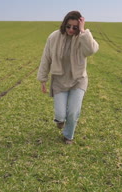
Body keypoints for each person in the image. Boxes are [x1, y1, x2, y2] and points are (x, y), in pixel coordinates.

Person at [37, 11, 99, 144]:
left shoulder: (82, 38)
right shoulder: (54, 37)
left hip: (78, 80)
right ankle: (60, 120)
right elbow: (46, 58)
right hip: (59, 80)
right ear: (64, 24)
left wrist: (83, 31)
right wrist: (43, 79)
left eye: (75, 27)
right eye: (68, 26)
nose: (71, 30)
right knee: (60, 114)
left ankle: (68, 135)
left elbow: (92, 50)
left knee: (73, 111)